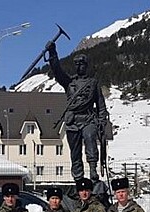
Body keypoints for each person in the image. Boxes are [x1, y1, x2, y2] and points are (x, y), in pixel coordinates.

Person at [45, 41, 109, 182]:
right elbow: (57, 71)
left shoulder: (93, 83)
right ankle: (78, 178)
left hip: (88, 119)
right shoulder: (69, 83)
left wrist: (102, 122)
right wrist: (52, 52)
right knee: (75, 152)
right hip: (73, 121)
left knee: (90, 139)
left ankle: (93, 170)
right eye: (77, 64)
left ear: (86, 66)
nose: (80, 66)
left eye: (82, 64)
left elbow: (100, 105)